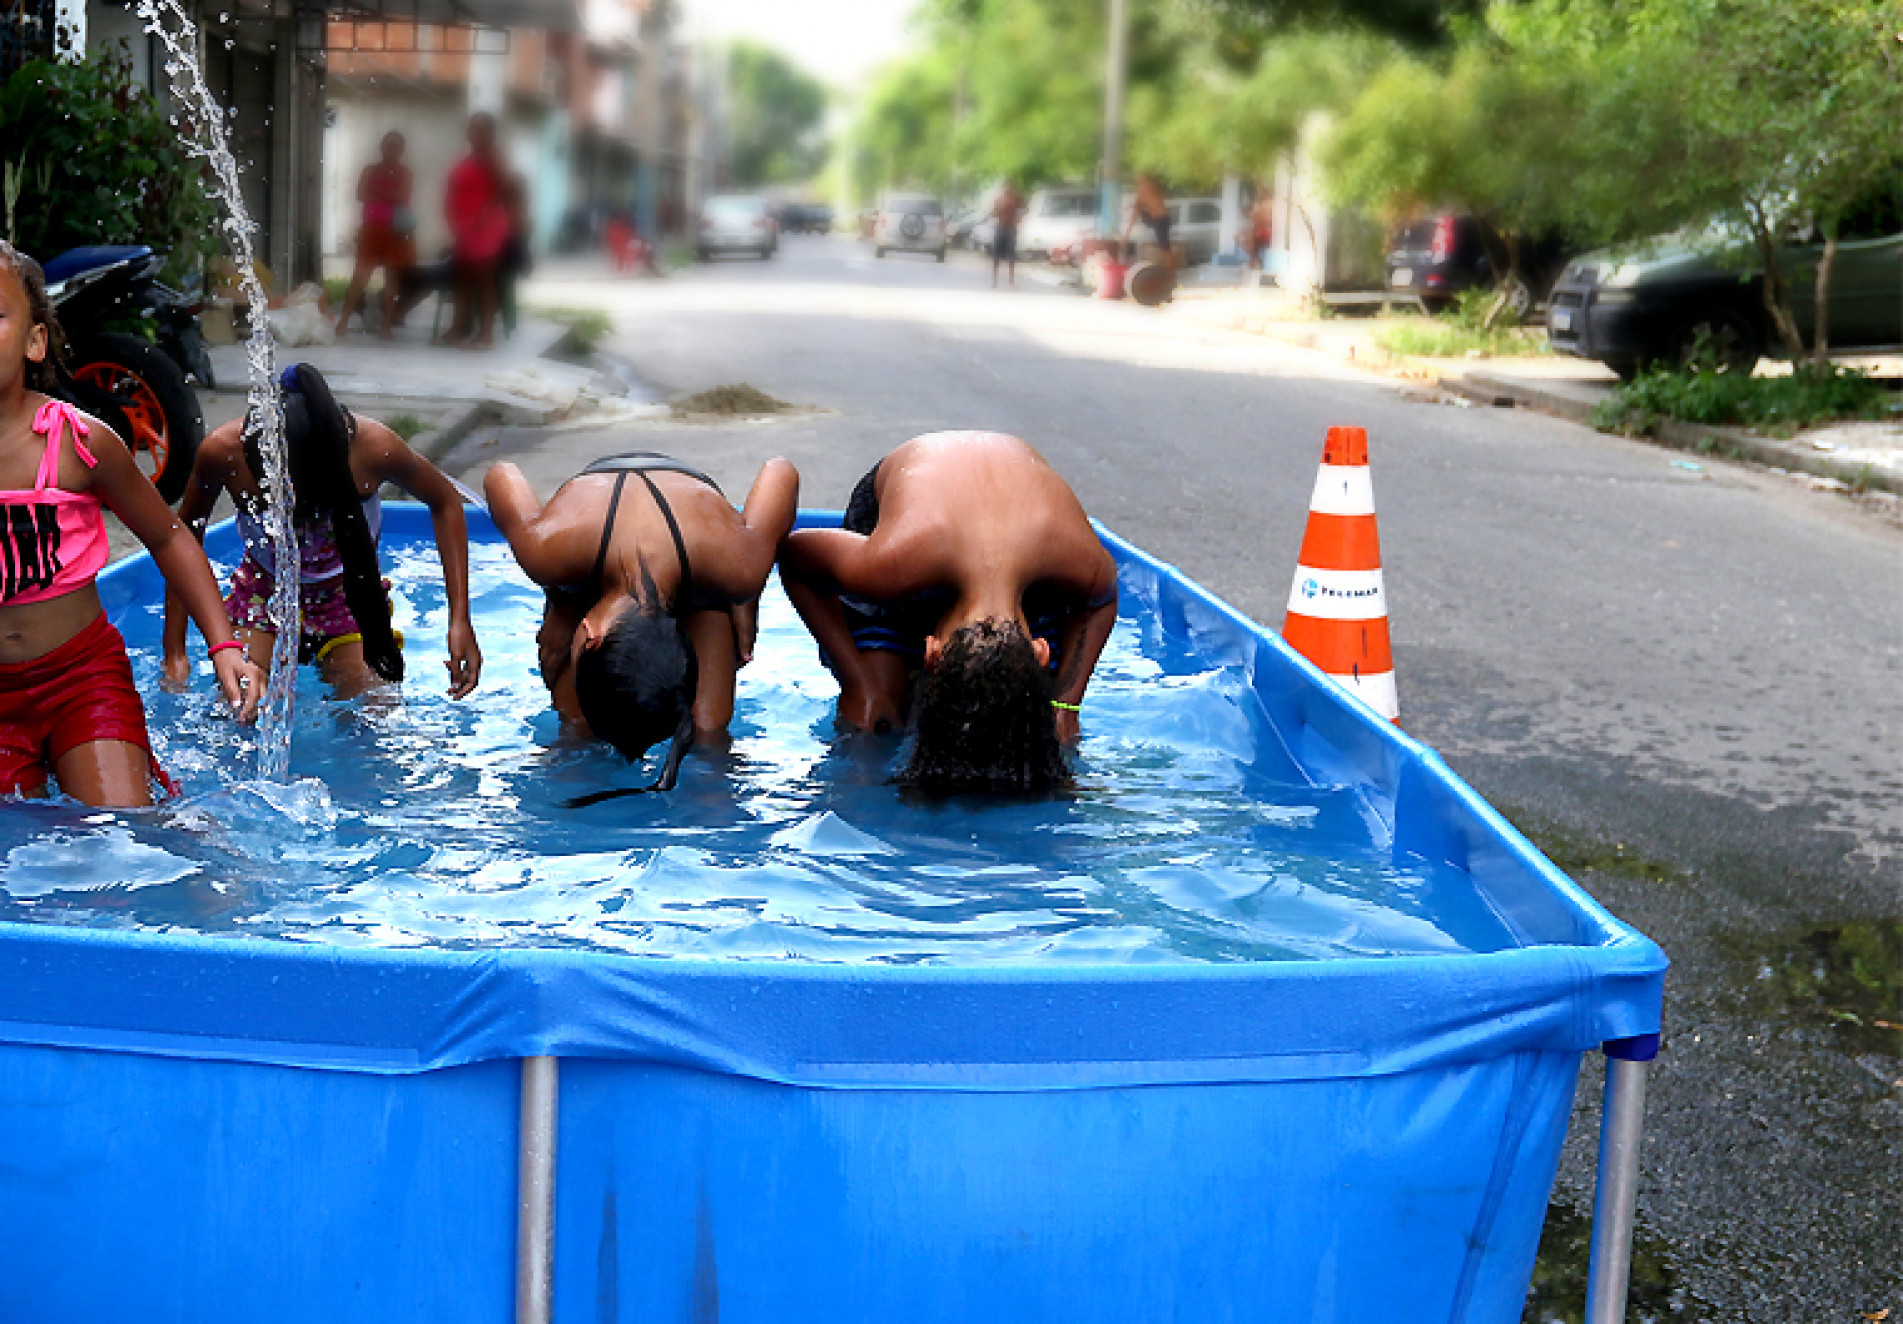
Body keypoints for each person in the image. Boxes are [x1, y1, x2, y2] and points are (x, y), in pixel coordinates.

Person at [0, 242, 264, 807]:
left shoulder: (77, 443)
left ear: (34, 340)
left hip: (80, 678)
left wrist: (223, 645)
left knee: (123, 832)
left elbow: (168, 536)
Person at [778, 431, 1117, 796]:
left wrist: (1066, 703)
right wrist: (859, 683)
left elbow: (1100, 602)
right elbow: (796, 557)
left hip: (1017, 546)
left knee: (1026, 714)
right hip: (912, 530)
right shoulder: (890, 564)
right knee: (871, 715)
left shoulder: (1077, 565)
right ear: (1040, 650)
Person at [162, 363, 480, 701]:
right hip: (264, 590)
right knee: (238, 702)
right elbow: (181, 537)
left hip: (348, 593)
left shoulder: (371, 449)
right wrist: (174, 650)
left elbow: (445, 500)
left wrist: (459, 619)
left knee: (372, 709)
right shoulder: (224, 453)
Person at [485, 451, 798, 795]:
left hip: (702, 560)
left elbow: (781, 471)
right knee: (576, 728)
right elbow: (500, 475)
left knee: (709, 734)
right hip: (593, 555)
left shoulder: (738, 567)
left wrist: (745, 595)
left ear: (590, 634)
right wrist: (561, 598)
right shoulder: (550, 551)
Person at [333, 132, 416, 339]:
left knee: (392, 280)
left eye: (396, 146)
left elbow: (402, 196)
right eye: (388, 145)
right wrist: (389, 195)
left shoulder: (405, 172)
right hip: (370, 229)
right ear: (381, 147)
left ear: (402, 150)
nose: (391, 150)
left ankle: (386, 327)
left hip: (395, 231)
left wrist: (377, 192)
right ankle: (342, 323)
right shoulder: (370, 170)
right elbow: (361, 194)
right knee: (360, 276)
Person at [443, 113, 511, 349]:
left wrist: (484, 214)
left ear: (491, 132)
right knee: (463, 280)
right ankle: (458, 329)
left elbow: (503, 189)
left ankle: (486, 332)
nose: (474, 133)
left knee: (484, 281)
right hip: (466, 226)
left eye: (480, 129)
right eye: (471, 128)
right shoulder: (471, 156)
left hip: (483, 226)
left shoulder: (491, 156)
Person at [1124, 174, 1175, 275]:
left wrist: (1126, 235)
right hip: (1161, 219)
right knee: (1165, 248)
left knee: (1165, 248)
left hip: (1160, 220)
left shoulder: (1144, 189)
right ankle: (1170, 271)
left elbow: (1135, 215)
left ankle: (1171, 273)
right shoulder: (1151, 187)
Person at [991, 181, 1025, 289]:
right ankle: (994, 281)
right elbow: (993, 212)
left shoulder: (1015, 198)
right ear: (1003, 187)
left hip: (1010, 228)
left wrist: (1019, 218)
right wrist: (998, 210)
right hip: (1001, 227)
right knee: (996, 256)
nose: (1008, 188)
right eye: (1006, 186)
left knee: (1011, 256)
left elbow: (1025, 208)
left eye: (1009, 186)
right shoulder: (999, 199)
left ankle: (1011, 281)